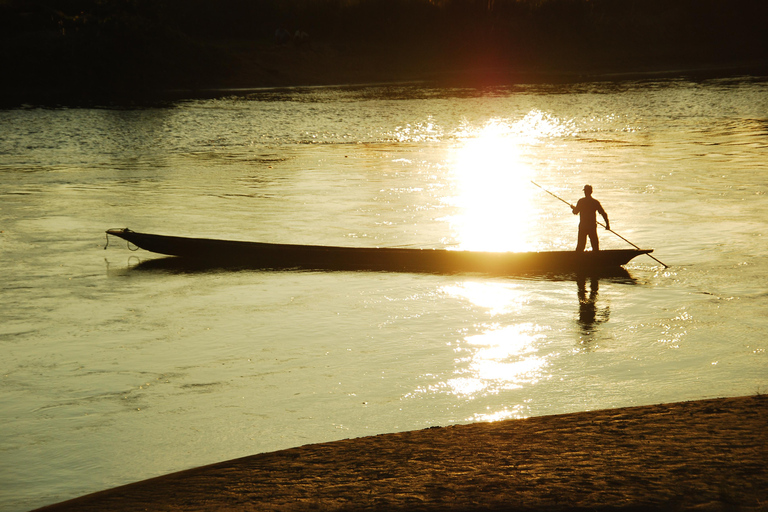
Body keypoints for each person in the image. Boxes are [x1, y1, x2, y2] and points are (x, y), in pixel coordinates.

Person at [572, 184, 610, 251]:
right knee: (595, 245)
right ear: (591, 192)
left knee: (580, 246)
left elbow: (575, 212)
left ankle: (577, 258)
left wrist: (573, 208)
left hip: (583, 226)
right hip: (592, 226)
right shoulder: (595, 202)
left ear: (585, 192)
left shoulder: (581, 201)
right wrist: (607, 224)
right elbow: (603, 213)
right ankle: (596, 257)